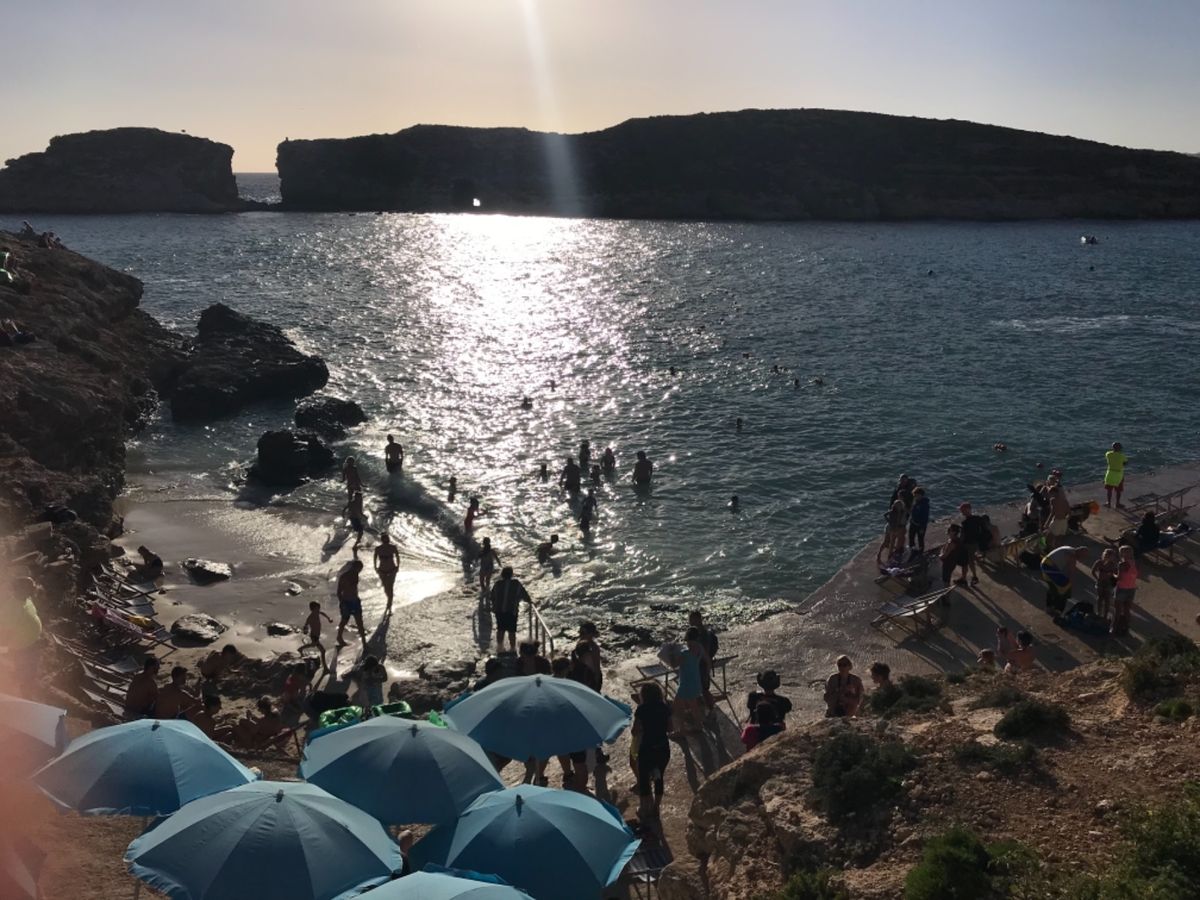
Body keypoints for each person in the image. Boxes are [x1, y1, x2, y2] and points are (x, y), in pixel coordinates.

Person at [631, 682, 672, 818]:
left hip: (647, 748)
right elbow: (670, 728)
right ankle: (656, 807)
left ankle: (644, 809)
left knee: (644, 779)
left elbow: (634, 731)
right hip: (662, 747)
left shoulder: (642, 709)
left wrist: (644, 729)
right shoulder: (665, 707)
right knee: (659, 777)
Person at [1, 576, 42, 696]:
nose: (31, 591)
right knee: (22, 673)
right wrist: (4, 653)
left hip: (27, 644)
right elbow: (4, 635)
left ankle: (22, 685)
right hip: (22, 646)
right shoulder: (11, 609)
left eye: (31, 589)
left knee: (25, 672)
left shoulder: (24, 599)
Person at [671, 628, 709, 733]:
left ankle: (680, 731)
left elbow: (674, 665)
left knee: (677, 708)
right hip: (696, 681)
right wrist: (706, 674)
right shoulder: (700, 648)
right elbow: (707, 660)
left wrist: (671, 653)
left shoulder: (685, 654)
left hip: (686, 684)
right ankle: (698, 726)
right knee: (693, 706)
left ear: (687, 639)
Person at [488, 567, 530, 653]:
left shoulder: (498, 584)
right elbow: (524, 595)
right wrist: (530, 601)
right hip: (512, 610)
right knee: (512, 631)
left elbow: (492, 597)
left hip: (499, 610)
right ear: (511, 574)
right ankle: (513, 648)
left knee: (500, 629)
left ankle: (500, 647)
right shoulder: (516, 584)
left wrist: (495, 605)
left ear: (502, 574)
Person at [1040, 545, 1088, 613]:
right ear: (1079, 552)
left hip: (1046, 564)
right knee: (1066, 588)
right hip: (1049, 567)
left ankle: (1049, 607)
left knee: (1053, 586)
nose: (1083, 558)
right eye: (1083, 556)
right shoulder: (1072, 556)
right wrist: (1069, 584)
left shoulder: (1069, 548)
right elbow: (1071, 572)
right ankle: (1058, 610)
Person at [336, 559, 367, 651]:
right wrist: (342, 603)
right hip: (347, 601)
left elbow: (351, 589)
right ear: (355, 567)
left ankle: (364, 642)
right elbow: (339, 591)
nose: (360, 571)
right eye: (359, 569)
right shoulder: (345, 576)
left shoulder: (354, 575)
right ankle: (339, 637)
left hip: (353, 601)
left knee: (358, 622)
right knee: (345, 621)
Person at [958, 503, 991, 585]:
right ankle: (965, 577)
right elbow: (985, 529)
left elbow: (962, 537)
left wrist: (958, 544)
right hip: (977, 542)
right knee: (971, 558)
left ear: (968, 509)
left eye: (962, 510)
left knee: (968, 562)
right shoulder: (978, 519)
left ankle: (973, 577)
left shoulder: (965, 523)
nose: (961, 512)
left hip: (968, 544)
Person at [1112, 545, 1138, 636]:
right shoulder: (1134, 562)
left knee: (1117, 610)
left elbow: (1119, 578)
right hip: (1131, 588)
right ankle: (1126, 628)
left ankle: (1113, 628)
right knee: (1127, 611)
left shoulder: (1122, 564)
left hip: (1122, 588)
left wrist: (1113, 574)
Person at [1091, 547, 1119, 622]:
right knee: (1100, 598)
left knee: (1107, 599)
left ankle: (1105, 615)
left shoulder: (1114, 565)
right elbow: (1093, 571)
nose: (1108, 557)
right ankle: (1098, 613)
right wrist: (1097, 578)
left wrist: (1112, 575)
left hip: (1109, 583)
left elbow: (1117, 575)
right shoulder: (1099, 562)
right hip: (1100, 582)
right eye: (1107, 555)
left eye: (1110, 555)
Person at [877, 496, 908, 563]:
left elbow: (903, 521)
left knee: (894, 541)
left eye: (900, 505)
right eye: (897, 505)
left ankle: (891, 554)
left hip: (895, 528)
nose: (899, 506)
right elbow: (885, 515)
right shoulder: (893, 512)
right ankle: (880, 554)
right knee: (887, 541)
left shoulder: (902, 512)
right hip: (891, 528)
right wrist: (889, 521)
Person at [575, 623, 603, 690]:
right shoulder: (579, 644)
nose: (581, 635)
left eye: (583, 633)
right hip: (582, 673)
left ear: (591, 634)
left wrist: (596, 681)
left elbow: (596, 666)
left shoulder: (594, 648)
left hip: (591, 676)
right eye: (580, 633)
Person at [1045, 479, 1071, 549]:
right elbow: (1069, 512)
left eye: (1051, 493)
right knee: (1059, 539)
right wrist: (1066, 520)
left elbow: (1052, 512)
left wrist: (1047, 523)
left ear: (1054, 493)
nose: (1050, 495)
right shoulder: (1064, 500)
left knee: (1048, 538)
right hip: (1064, 522)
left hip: (1056, 521)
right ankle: (1058, 550)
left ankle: (1049, 551)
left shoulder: (1053, 500)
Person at [1104, 442, 1128, 508]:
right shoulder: (1122, 456)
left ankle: (1108, 503)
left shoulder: (1108, 454)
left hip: (1110, 474)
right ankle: (1117, 504)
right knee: (1118, 491)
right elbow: (1125, 463)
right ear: (1120, 448)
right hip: (1118, 475)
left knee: (1109, 490)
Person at [908, 487, 930, 552]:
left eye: (917, 495)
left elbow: (925, 517)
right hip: (913, 522)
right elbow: (912, 511)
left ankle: (921, 551)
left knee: (920, 538)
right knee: (911, 537)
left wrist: (922, 527)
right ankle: (912, 548)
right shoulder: (915, 502)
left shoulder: (925, 505)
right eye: (914, 495)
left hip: (920, 525)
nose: (915, 497)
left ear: (921, 495)